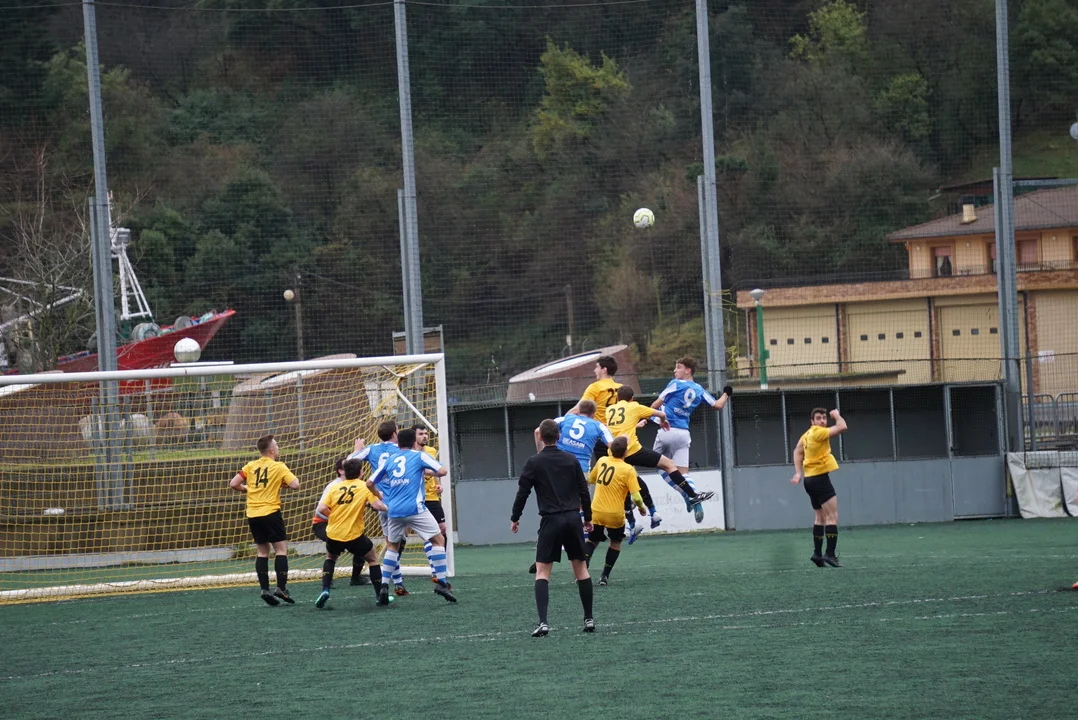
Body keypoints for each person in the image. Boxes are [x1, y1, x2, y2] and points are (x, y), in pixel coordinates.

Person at [511, 419, 596, 637]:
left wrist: (515, 517)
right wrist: (587, 517)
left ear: (540, 437)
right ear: (559, 436)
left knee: (542, 572)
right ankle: (588, 619)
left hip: (551, 520)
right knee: (581, 570)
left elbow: (523, 492)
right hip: (573, 519)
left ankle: (543, 622)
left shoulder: (534, 462)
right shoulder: (571, 459)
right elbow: (583, 490)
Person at [606, 385, 714, 541]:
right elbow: (661, 413)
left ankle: (634, 522)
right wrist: (663, 421)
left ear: (617, 398)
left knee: (629, 484)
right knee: (669, 465)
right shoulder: (634, 406)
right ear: (632, 398)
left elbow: (618, 428)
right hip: (632, 451)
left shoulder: (609, 410)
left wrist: (635, 425)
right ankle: (692, 496)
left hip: (615, 455)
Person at [368, 428, 456, 603]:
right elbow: (443, 471)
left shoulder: (391, 459)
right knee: (438, 540)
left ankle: (384, 587)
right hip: (415, 509)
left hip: (393, 511)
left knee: (392, 546)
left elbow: (369, 483)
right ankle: (441, 582)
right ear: (414, 442)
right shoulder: (419, 456)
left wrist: (378, 495)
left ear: (398, 443)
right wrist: (427, 471)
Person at [526, 400, 613, 574]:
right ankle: (577, 551)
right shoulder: (598, 425)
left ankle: (545, 549)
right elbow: (612, 444)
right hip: (580, 470)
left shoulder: (565, 419)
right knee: (576, 509)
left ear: (578, 410)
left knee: (552, 510)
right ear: (593, 413)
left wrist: (540, 452)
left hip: (556, 468)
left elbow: (537, 431)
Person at [650, 356, 732, 523]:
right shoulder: (699, 389)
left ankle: (687, 495)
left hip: (666, 430)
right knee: (683, 473)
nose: (675, 370)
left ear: (688, 370)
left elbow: (654, 406)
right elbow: (717, 405)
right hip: (683, 434)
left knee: (658, 466)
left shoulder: (675, 384)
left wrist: (648, 417)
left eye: (678, 367)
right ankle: (694, 499)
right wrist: (727, 393)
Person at [229, 434, 301, 606]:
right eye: (277, 446)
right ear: (272, 450)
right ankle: (281, 588)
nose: (278, 448)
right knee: (281, 550)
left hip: (253, 514)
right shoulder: (279, 466)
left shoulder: (251, 466)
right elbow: (295, 484)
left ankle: (264, 589)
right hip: (270, 512)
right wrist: (281, 483)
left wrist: (246, 489)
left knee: (262, 553)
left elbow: (233, 483)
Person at [314, 458, 390, 609]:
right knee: (373, 559)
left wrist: (333, 517)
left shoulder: (335, 487)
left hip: (333, 533)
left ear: (345, 472)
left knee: (331, 558)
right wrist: (389, 508)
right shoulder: (364, 486)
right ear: (361, 472)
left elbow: (321, 508)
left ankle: (325, 590)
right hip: (353, 534)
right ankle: (379, 596)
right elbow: (377, 505)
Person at [350, 420, 409, 596]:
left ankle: (397, 583)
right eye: (397, 429)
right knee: (402, 542)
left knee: (392, 543)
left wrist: (357, 450)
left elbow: (349, 462)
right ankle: (395, 583)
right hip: (401, 501)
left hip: (382, 502)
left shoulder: (372, 449)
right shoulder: (401, 449)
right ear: (394, 434)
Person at [585, 436, 646, 586]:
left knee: (592, 540)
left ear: (610, 450)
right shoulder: (628, 469)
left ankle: (582, 572)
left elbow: (591, 480)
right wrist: (641, 508)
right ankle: (604, 576)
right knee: (615, 542)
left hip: (597, 511)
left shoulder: (602, 461)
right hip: (615, 515)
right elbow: (636, 497)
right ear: (625, 452)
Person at [791, 408, 849, 568]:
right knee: (832, 517)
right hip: (820, 479)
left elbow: (797, 451)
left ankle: (817, 554)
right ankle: (830, 554)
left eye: (824, 418)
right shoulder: (818, 432)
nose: (822, 421)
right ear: (812, 421)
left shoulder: (807, 434)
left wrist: (798, 473)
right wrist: (836, 415)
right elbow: (843, 427)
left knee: (820, 517)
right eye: (818, 418)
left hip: (809, 480)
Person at [311, 458, 367, 586]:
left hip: (342, 524)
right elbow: (320, 510)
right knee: (334, 551)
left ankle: (355, 578)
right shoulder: (333, 486)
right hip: (323, 523)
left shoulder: (355, 485)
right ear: (341, 471)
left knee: (362, 545)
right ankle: (327, 581)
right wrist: (335, 518)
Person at [412, 423, 452, 590]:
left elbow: (435, 470)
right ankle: (435, 571)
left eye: (426, 433)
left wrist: (438, 483)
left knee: (442, 530)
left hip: (432, 497)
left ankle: (438, 568)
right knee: (425, 536)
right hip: (417, 499)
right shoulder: (410, 454)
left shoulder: (431, 451)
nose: (424, 436)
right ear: (414, 436)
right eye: (421, 434)